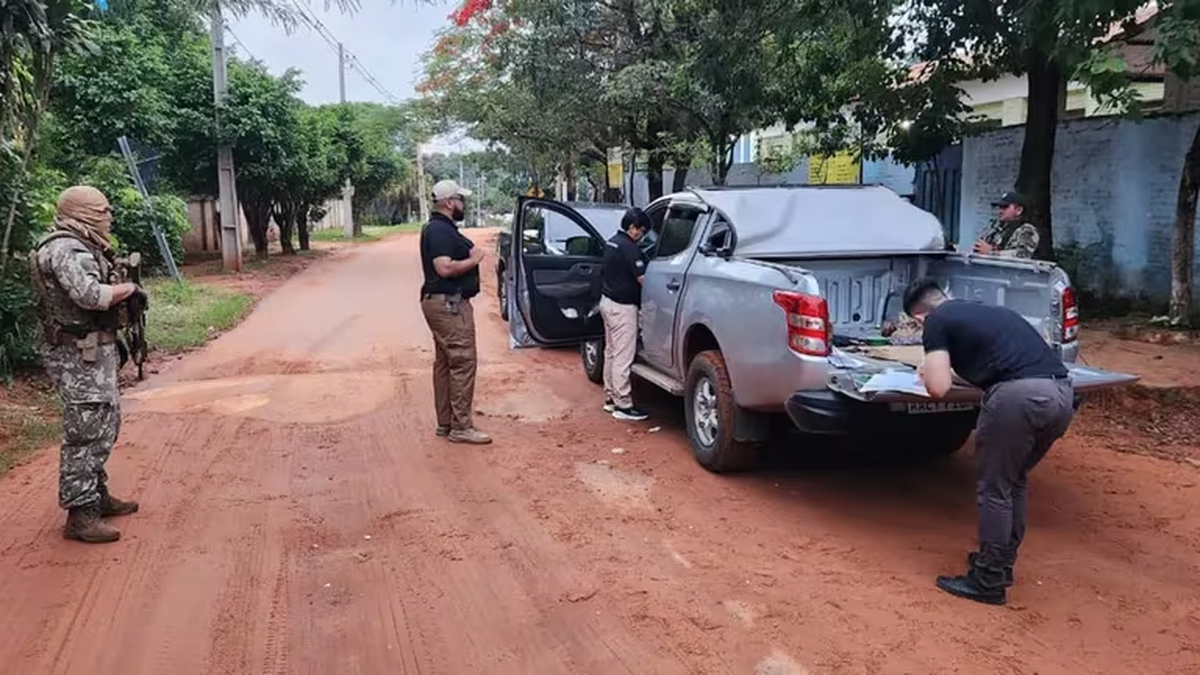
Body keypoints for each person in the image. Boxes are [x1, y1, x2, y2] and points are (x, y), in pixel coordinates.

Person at [903, 277, 1074, 606]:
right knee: (1014, 480)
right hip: (1061, 395)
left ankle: (988, 580)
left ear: (920, 317)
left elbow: (938, 388)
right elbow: (995, 363)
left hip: (1019, 399)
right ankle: (1000, 562)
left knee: (994, 488)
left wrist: (928, 371)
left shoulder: (936, 321)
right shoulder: (992, 312)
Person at [29, 186, 143, 544]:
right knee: (85, 430)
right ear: (82, 212)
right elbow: (90, 296)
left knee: (104, 423)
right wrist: (128, 289)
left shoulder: (83, 242)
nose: (109, 216)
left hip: (91, 351)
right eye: (103, 210)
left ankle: (96, 494)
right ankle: (81, 513)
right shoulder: (65, 247)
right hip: (76, 354)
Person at [419, 179, 491, 445]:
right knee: (462, 361)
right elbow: (444, 268)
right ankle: (461, 427)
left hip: (442, 302)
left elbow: (464, 248)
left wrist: (471, 251)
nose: (464, 204)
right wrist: (474, 260)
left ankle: (446, 422)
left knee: (445, 362)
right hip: (449, 305)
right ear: (449, 203)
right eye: (461, 199)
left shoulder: (443, 229)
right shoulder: (440, 231)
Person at [600, 208, 650, 422]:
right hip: (623, 309)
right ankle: (623, 404)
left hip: (607, 302)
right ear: (632, 228)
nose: (642, 235)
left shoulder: (611, 242)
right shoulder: (630, 248)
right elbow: (643, 279)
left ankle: (611, 398)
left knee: (611, 352)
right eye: (642, 231)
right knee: (623, 356)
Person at [972, 191, 1039, 259]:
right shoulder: (997, 229)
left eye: (1005, 207)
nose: (1000, 211)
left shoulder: (1028, 230)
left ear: (1019, 210)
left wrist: (991, 252)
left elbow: (1023, 255)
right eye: (1000, 207)